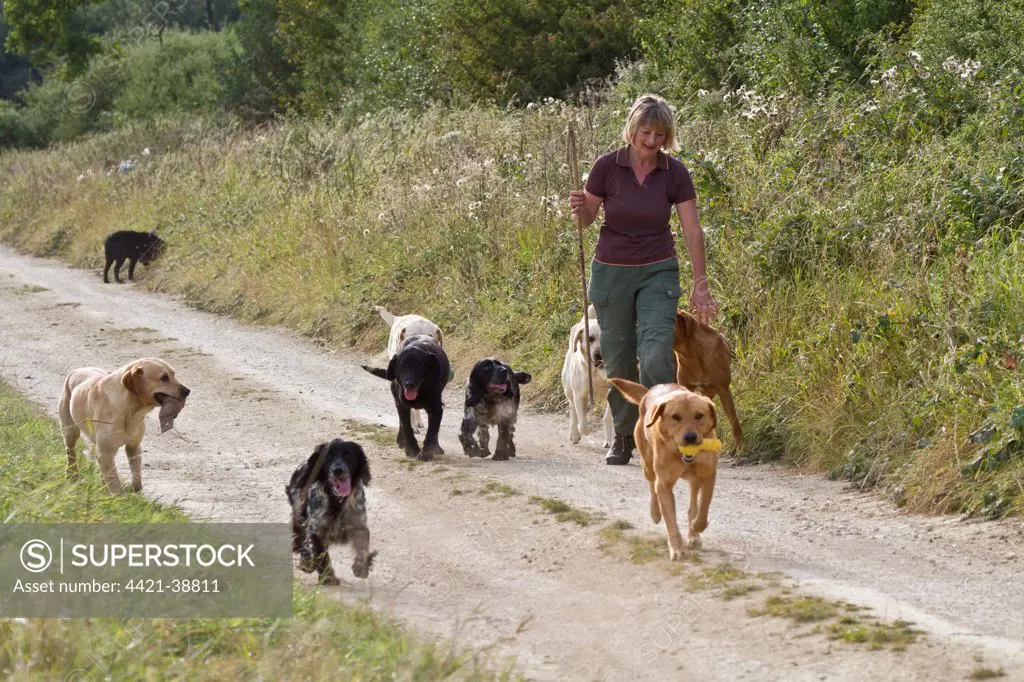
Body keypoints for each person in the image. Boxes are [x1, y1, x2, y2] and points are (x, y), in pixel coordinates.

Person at [569, 93, 719, 465]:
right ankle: (623, 435)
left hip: (658, 271)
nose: (651, 141)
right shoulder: (607, 167)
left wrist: (701, 285)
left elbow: (692, 230)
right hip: (611, 272)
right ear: (632, 129)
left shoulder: (675, 173)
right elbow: (587, 219)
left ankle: (667, 437)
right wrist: (579, 209)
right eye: (645, 131)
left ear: (668, 137)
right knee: (618, 360)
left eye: (659, 134)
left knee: (655, 355)